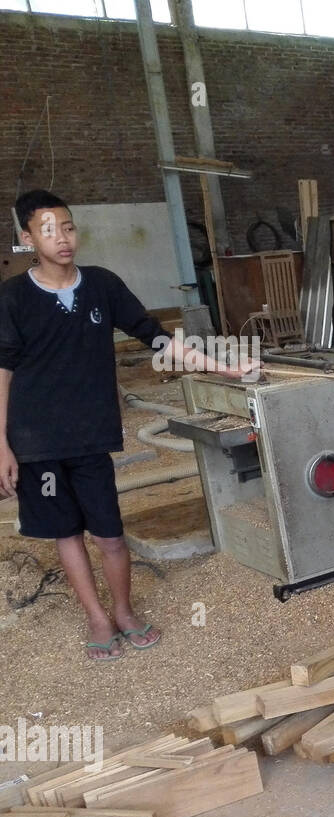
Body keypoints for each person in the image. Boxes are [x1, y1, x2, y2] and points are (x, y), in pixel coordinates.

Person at [0, 190, 230, 661]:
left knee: (109, 532)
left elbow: (154, 335)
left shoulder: (101, 285)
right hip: (35, 443)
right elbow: (1, 373)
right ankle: (97, 617)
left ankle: (123, 611)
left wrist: (219, 365)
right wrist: (2, 445)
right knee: (66, 532)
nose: (62, 238)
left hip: (91, 436)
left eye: (68, 227)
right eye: (48, 230)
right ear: (27, 237)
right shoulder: (13, 298)